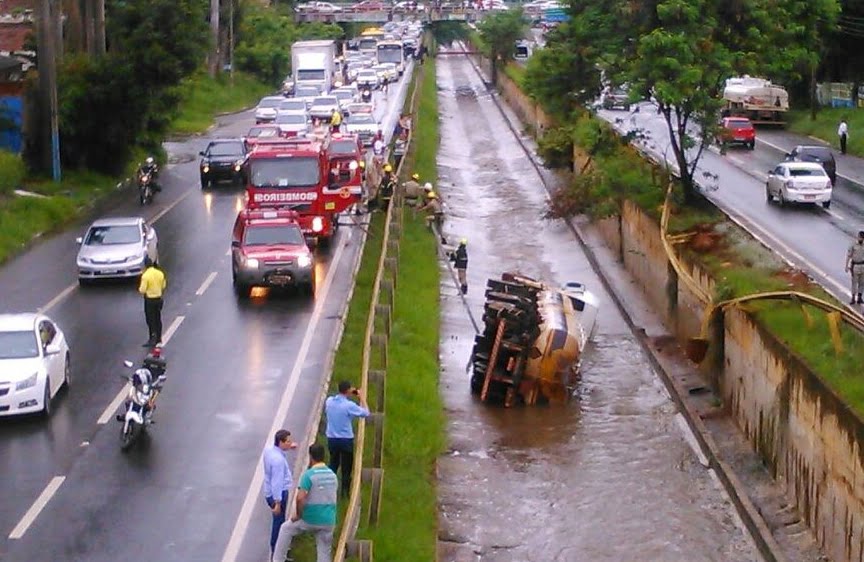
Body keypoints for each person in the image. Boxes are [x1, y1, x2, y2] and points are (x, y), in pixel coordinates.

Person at [272, 444, 338, 562]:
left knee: (285, 529)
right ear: (324, 457)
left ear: (311, 457)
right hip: (329, 520)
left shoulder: (309, 475)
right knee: (324, 550)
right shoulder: (333, 475)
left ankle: (278, 560)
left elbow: (300, 498)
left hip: (310, 519)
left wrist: (298, 514)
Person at [324, 381, 370, 498]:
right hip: (345, 440)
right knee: (346, 468)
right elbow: (366, 413)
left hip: (332, 439)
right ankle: (345, 493)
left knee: (333, 464)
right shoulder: (349, 405)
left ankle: (328, 490)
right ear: (349, 391)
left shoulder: (329, 401)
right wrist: (362, 398)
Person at [263, 429, 297, 556]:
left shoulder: (269, 451)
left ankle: (278, 549)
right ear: (281, 443)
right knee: (279, 524)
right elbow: (277, 482)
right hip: (278, 494)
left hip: (269, 492)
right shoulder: (278, 461)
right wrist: (277, 502)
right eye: (288, 441)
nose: (290, 443)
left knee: (279, 521)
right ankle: (277, 551)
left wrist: (288, 447)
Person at [139, 256, 166, 347]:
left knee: (150, 320)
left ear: (145, 265)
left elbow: (142, 290)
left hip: (149, 300)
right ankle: (159, 338)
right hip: (158, 299)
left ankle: (152, 338)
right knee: (158, 319)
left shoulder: (145, 276)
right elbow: (163, 286)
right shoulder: (160, 273)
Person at [846, 230, 864, 304]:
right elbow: (849, 255)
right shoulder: (853, 245)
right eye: (860, 237)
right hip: (855, 266)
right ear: (858, 237)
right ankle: (853, 297)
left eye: (863, 238)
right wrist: (846, 266)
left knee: (862, 282)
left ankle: (860, 297)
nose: (861, 239)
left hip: (863, 265)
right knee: (854, 282)